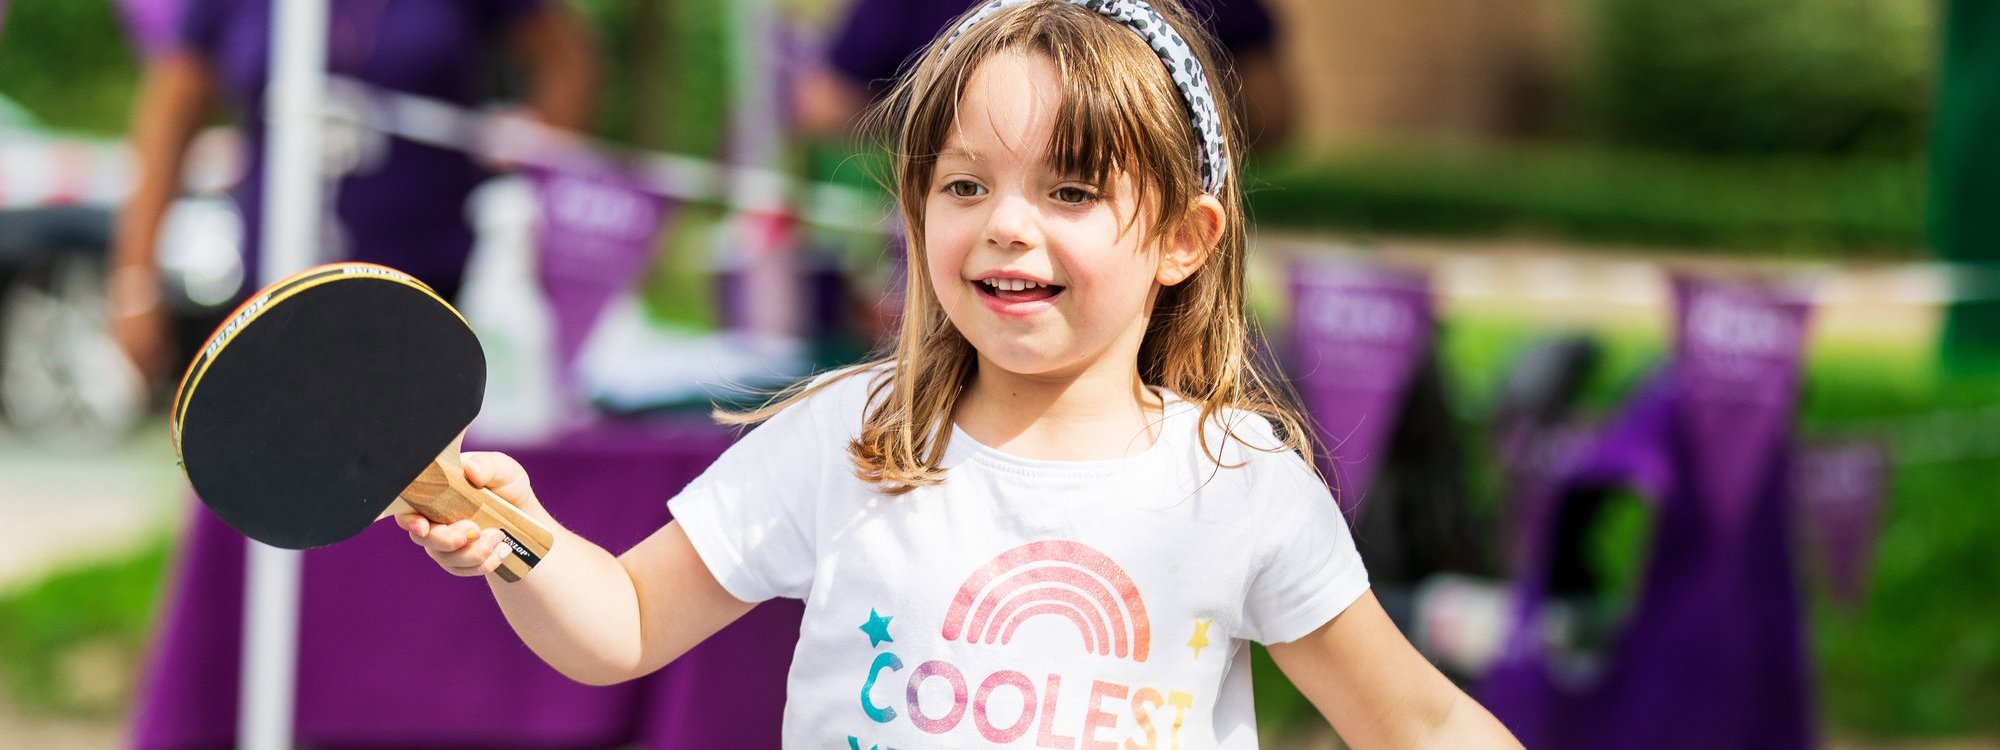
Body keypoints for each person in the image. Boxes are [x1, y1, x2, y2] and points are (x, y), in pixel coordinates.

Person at [401, 0, 1521, 746]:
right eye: (966, 185)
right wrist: (513, 540)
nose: (1005, 229)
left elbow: (1416, 724)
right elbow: (626, 623)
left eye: (1070, 192)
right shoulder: (848, 435)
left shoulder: (1237, 480)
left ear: (1184, 238)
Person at [109, 0, 596, 384]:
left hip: (437, 291)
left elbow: (566, 62)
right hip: (279, 287)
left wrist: (534, 159)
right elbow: (168, 124)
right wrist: (135, 281)